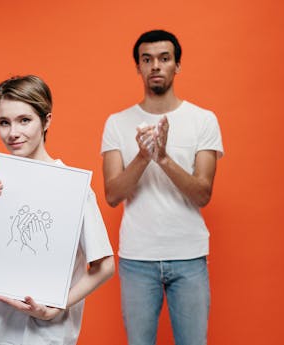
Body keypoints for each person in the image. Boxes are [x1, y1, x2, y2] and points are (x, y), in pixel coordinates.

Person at [0, 75, 115, 345]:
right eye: (4, 122)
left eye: (24, 120)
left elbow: (105, 266)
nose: (13, 133)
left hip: (44, 336)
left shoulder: (72, 187)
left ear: (46, 121)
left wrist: (55, 307)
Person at [101, 30, 224, 345]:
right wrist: (144, 156)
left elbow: (202, 193)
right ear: (139, 68)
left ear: (177, 66)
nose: (155, 65)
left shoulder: (203, 120)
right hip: (137, 257)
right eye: (147, 59)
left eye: (164, 58)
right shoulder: (117, 122)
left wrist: (164, 158)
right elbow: (113, 195)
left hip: (189, 255)